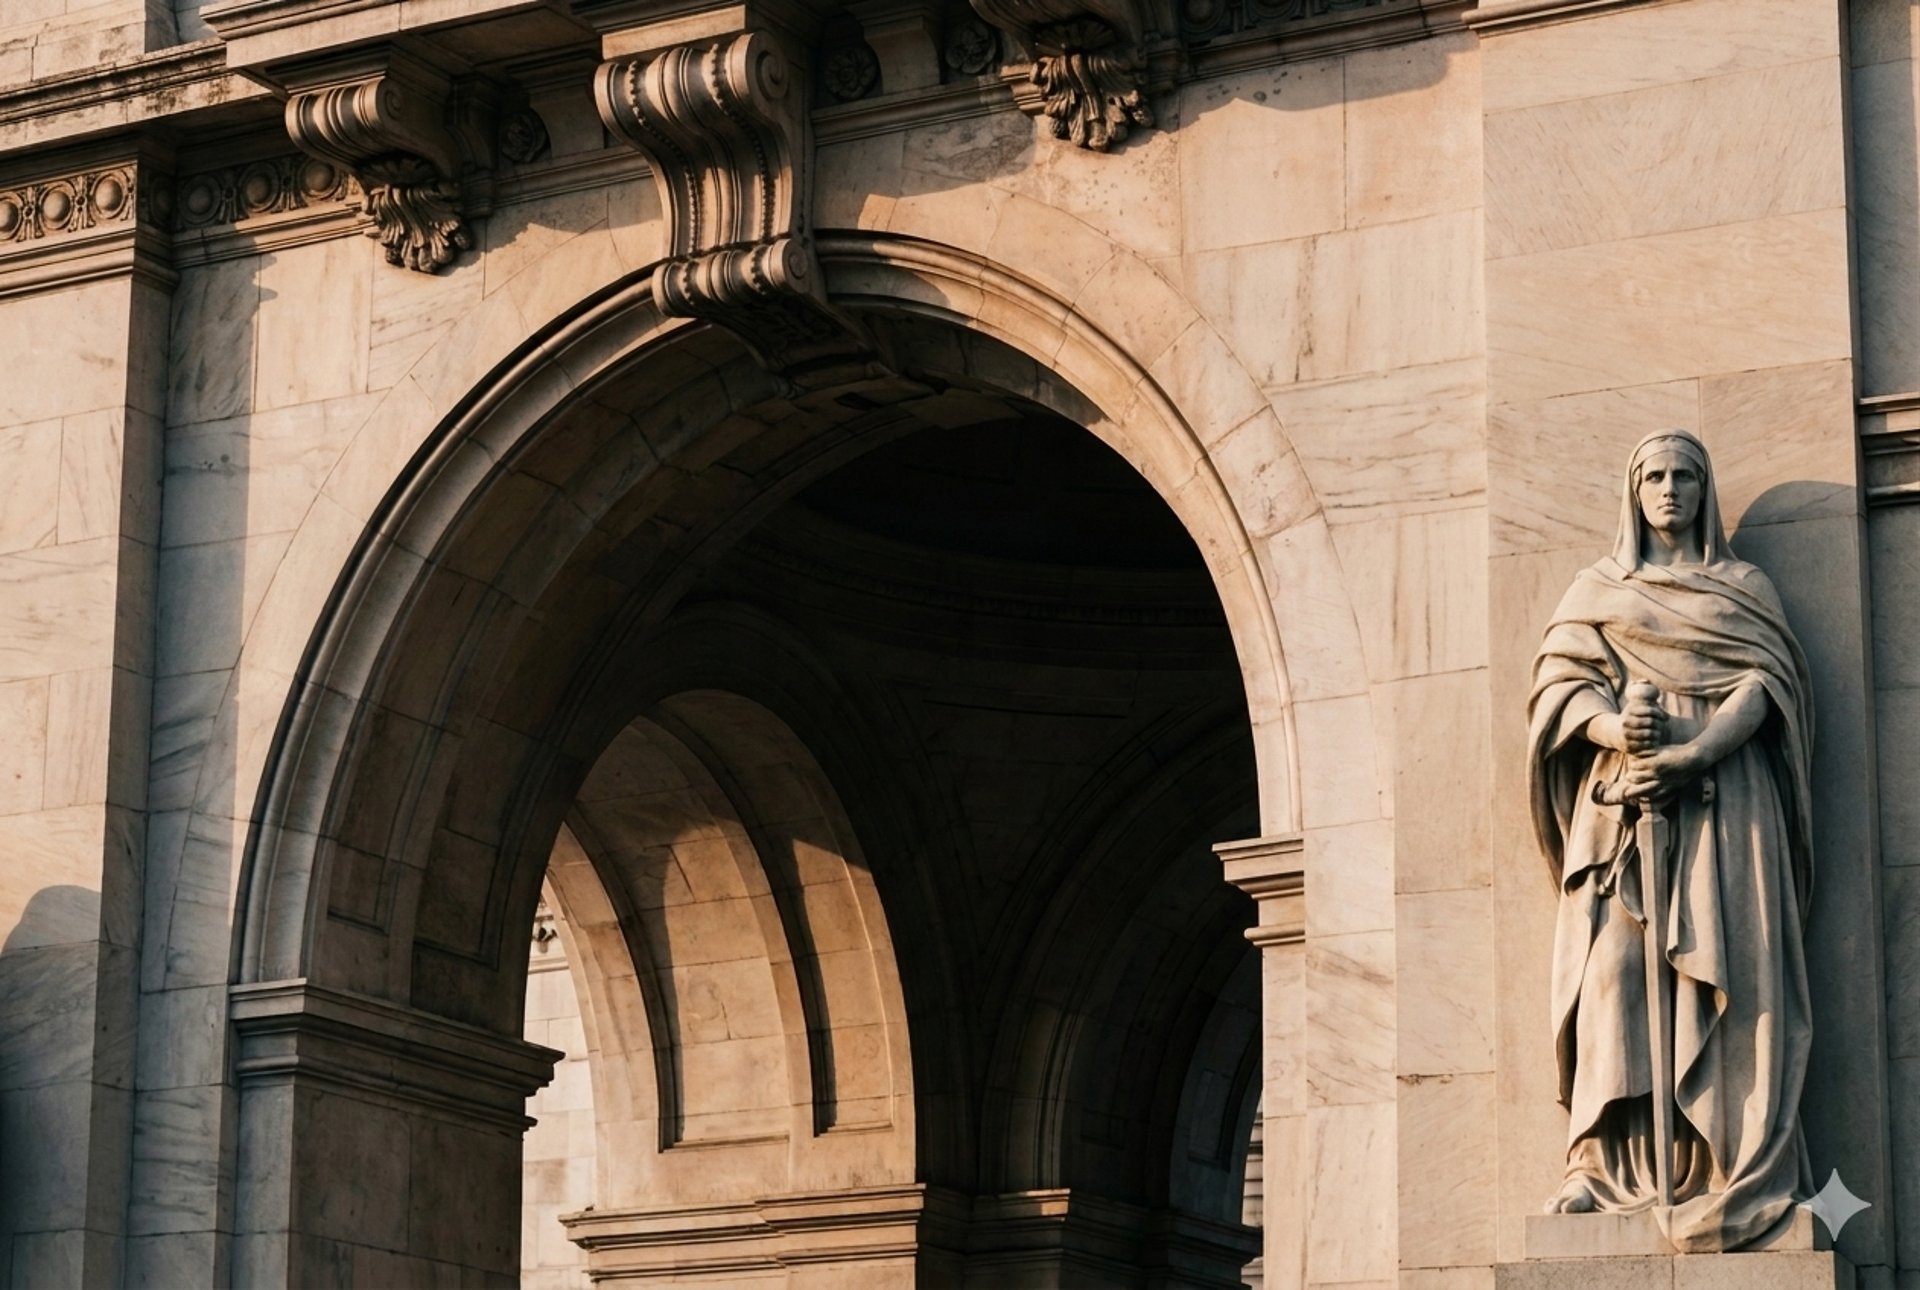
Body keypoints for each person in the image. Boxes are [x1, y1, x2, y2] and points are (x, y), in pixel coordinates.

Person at [1526, 429, 1815, 1251]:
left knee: (1730, 975)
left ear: (1704, 489)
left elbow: (1768, 684)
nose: (1669, 489)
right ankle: (1602, 1164)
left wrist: (1692, 755)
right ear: (1633, 488)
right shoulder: (1597, 589)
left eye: (1685, 476)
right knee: (1615, 975)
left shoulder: (1744, 587)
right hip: (1623, 811)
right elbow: (1559, 691)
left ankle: (1719, 1159)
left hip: (1724, 808)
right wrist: (1616, 725)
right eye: (1653, 475)